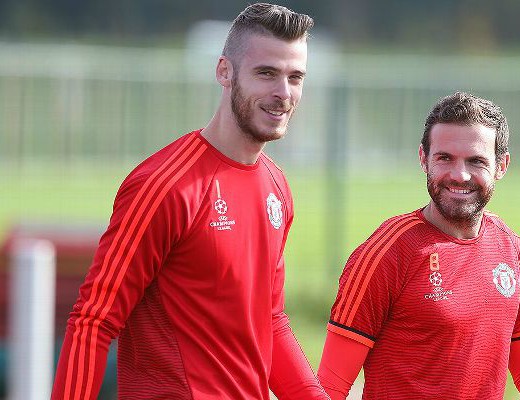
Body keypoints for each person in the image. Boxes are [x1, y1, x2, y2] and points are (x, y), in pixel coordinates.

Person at [51, 3, 329, 399]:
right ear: (224, 72)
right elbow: (94, 321)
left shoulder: (277, 187)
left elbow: (271, 321)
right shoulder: (164, 185)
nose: (283, 92)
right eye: (266, 73)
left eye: (295, 76)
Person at [317, 92, 520, 400]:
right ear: (424, 159)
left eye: (476, 161)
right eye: (445, 158)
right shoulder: (387, 252)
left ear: (502, 165)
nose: (459, 175)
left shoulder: (511, 249)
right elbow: (329, 385)